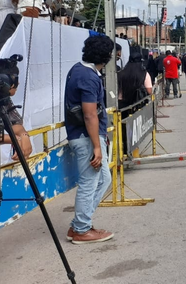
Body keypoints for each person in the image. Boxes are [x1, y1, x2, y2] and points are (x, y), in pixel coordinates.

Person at [64, 35, 115, 244]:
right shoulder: (88, 77)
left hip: (88, 136)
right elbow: (90, 114)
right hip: (86, 138)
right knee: (89, 183)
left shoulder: (79, 70)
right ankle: (81, 230)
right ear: (107, 56)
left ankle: (79, 223)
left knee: (104, 179)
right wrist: (97, 146)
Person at [0, 57, 33, 166]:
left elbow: (14, 123)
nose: (18, 83)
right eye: (15, 79)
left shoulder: (3, 100)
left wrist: (23, 135)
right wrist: (12, 139)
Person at [117, 49, 152, 117]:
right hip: (138, 104)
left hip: (122, 104)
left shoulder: (121, 73)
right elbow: (149, 91)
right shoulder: (144, 74)